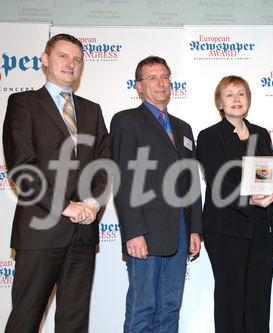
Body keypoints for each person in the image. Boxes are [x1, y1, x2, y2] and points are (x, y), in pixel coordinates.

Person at [3, 33, 110, 332]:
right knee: (25, 320)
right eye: (63, 56)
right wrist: (64, 207)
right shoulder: (23, 103)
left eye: (77, 59)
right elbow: (22, 168)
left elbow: (104, 164)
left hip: (83, 234)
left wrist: (90, 203)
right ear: (45, 60)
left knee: (74, 323)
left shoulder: (92, 110)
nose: (70, 64)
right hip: (40, 231)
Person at [110, 56, 202, 332]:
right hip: (145, 232)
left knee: (170, 308)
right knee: (143, 308)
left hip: (181, 231)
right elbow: (122, 179)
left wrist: (196, 229)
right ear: (139, 87)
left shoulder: (183, 128)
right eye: (152, 78)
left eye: (165, 77)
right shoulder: (126, 121)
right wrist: (133, 231)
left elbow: (192, 182)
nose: (160, 83)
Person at [197, 75, 273, 333]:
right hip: (226, 230)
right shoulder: (209, 136)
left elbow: (267, 175)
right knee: (230, 300)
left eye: (241, 94)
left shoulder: (261, 133)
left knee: (259, 300)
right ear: (219, 103)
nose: (236, 100)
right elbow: (218, 181)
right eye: (229, 95)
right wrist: (250, 198)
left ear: (249, 100)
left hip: (263, 229)